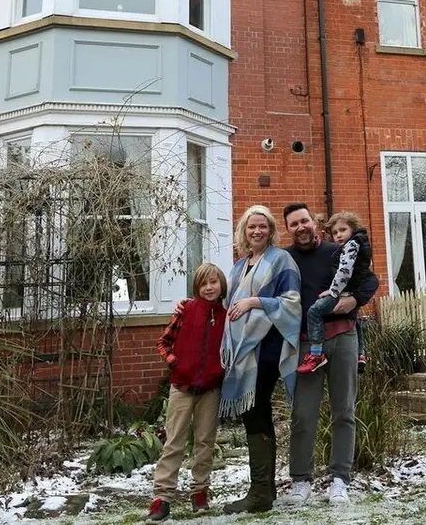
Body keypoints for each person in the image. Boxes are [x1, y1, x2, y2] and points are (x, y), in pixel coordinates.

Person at [279, 202, 379, 507]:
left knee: (344, 411)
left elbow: (370, 279)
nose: (300, 227)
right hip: (308, 344)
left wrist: (354, 301)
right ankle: (301, 481)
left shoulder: (336, 250)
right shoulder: (286, 259)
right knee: (303, 414)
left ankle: (339, 479)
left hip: (344, 336)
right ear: (288, 229)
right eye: (293, 224)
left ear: (314, 222)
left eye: (304, 221)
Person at [219, 205, 302, 515]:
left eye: (263, 227)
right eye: (252, 226)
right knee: (255, 413)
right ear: (244, 230)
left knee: (255, 409)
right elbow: (227, 305)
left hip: (266, 349)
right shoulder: (239, 267)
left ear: (270, 231)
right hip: (242, 352)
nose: (257, 231)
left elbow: (292, 303)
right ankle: (264, 489)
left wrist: (255, 301)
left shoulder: (281, 260)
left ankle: (260, 492)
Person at [147, 263, 229, 520]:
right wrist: (175, 363)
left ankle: (200, 491)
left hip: (210, 389)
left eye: (213, 282)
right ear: (197, 288)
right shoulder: (186, 309)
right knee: (174, 442)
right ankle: (162, 497)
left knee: (205, 443)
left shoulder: (227, 316)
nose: (209, 288)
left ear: (221, 284)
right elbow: (164, 342)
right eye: (203, 284)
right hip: (181, 387)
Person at [296, 211, 376, 375]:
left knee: (314, 311)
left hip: (342, 304)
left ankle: (316, 354)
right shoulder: (351, 247)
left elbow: (351, 274)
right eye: (335, 233)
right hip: (342, 295)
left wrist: (351, 298)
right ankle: (361, 353)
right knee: (357, 319)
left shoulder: (349, 248)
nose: (339, 235)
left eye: (343, 230)